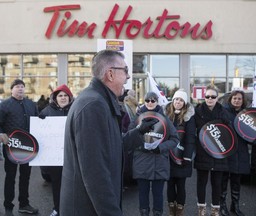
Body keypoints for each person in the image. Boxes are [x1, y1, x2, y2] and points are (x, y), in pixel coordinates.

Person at [59, 49, 159, 216]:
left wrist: (139, 132)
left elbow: (112, 145)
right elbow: (95, 173)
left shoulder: (100, 101)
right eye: (125, 70)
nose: (128, 77)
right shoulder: (93, 105)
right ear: (110, 74)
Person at [0, 79, 39, 216]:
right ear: (11, 89)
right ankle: (8, 206)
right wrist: (0, 134)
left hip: (28, 148)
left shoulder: (31, 104)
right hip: (11, 148)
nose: (20, 89)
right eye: (17, 87)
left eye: (22, 87)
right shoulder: (4, 105)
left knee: (26, 177)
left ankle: (24, 204)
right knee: (10, 177)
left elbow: (37, 121)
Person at [129, 91, 179, 216]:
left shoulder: (165, 118)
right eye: (147, 100)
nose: (150, 103)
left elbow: (175, 139)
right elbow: (129, 137)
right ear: (144, 101)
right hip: (142, 161)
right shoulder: (137, 118)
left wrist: (161, 148)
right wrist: (141, 146)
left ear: (157, 102)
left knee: (158, 195)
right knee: (143, 194)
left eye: (153, 100)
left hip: (159, 163)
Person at [194, 85, 230, 216]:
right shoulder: (197, 111)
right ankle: (201, 210)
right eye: (207, 96)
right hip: (203, 151)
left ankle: (215, 210)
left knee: (217, 184)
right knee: (201, 183)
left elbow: (229, 135)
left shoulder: (224, 113)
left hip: (219, 153)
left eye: (213, 97)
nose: (210, 99)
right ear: (204, 98)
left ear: (217, 98)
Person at [39, 84, 74, 216]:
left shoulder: (75, 109)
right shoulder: (46, 111)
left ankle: (71, 209)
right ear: (55, 98)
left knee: (73, 184)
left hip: (71, 155)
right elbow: (40, 132)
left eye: (65, 95)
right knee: (57, 184)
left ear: (70, 97)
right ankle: (57, 208)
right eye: (60, 95)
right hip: (55, 157)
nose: (63, 98)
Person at [163, 89, 196, 216]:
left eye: (181, 100)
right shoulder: (166, 115)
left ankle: (180, 211)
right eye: (176, 99)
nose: (178, 102)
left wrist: (187, 157)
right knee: (170, 185)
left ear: (185, 103)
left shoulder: (189, 117)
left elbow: (190, 138)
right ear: (173, 100)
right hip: (168, 157)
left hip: (182, 157)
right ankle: (172, 211)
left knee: (181, 186)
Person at [220, 90, 250, 216]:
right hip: (227, 151)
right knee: (223, 181)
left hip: (241, 152)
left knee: (236, 181)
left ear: (243, 101)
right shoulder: (224, 112)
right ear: (230, 100)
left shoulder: (248, 115)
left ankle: (235, 206)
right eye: (235, 98)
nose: (237, 100)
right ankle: (222, 206)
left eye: (239, 99)